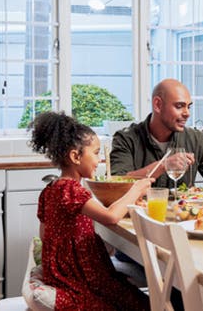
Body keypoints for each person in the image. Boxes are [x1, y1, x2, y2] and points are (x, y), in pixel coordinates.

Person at [28, 111, 152, 310]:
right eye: (95, 153)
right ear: (75, 156)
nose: (99, 160)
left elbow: (44, 234)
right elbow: (111, 217)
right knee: (142, 303)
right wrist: (136, 188)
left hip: (62, 272)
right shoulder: (70, 189)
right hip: (79, 277)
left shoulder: (51, 188)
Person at [110, 78, 203, 188]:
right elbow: (116, 184)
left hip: (185, 205)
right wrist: (164, 165)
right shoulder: (126, 139)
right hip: (142, 205)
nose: (187, 113)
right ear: (158, 105)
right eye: (179, 106)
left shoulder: (196, 139)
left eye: (188, 106)